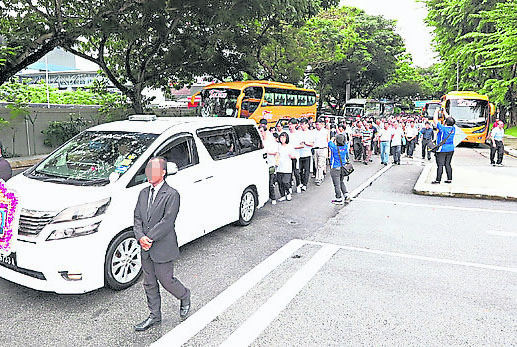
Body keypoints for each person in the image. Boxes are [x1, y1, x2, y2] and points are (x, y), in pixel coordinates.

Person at [134, 157, 191, 332]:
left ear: (163, 173)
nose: (149, 173)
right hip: (145, 247)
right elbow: (137, 218)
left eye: (154, 170)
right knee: (149, 283)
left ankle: (184, 295)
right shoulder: (143, 193)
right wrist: (140, 237)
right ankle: (154, 316)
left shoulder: (172, 194)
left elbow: (168, 222)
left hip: (162, 246)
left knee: (166, 280)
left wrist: (148, 238)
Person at [432, 108, 456, 184]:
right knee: (448, 164)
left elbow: (435, 120)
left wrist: (436, 111)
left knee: (440, 165)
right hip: (451, 149)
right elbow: (450, 120)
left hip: (442, 149)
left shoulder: (442, 128)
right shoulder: (453, 129)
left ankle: (438, 180)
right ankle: (449, 179)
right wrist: (444, 111)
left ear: (445, 122)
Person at [328, 134, 350, 205]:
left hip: (335, 167)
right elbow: (346, 143)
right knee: (341, 181)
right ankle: (346, 194)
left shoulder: (334, 147)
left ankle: (339, 198)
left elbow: (329, 143)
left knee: (336, 184)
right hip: (343, 167)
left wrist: (332, 139)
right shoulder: (345, 147)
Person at [259, 125, 278, 204]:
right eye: (259, 131)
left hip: (270, 164)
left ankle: (273, 197)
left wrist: (267, 152)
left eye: (262, 131)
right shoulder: (259, 141)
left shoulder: (271, 141)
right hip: (262, 164)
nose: (261, 133)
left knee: (270, 182)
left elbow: (275, 152)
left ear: (265, 132)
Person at [276, 132, 297, 201]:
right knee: (280, 182)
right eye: (281, 137)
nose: (282, 139)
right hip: (279, 166)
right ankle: (282, 195)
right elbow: (276, 154)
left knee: (286, 181)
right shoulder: (278, 146)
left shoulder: (290, 146)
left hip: (287, 166)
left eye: (284, 137)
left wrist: (292, 156)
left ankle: (288, 193)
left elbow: (294, 156)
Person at [298, 118, 314, 191]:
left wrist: (306, 143)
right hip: (299, 154)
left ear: (307, 125)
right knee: (300, 170)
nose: (302, 125)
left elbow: (312, 144)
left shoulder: (310, 133)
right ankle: (301, 182)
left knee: (306, 170)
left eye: (304, 124)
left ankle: (305, 184)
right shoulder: (299, 132)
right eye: (301, 124)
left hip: (307, 153)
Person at [313, 118, 329, 186]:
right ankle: (321, 175)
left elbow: (328, 140)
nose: (317, 126)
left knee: (320, 164)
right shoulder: (314, 132)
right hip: (315, 149)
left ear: (322, 124)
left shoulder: (325, 131)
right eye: (316, 124)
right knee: (316, 165)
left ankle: (318, 178)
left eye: (318, 124)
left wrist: (328, 150)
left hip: (323, 148)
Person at [288, 119, 303, 192]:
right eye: (289, 124)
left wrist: (293, 147)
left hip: (296, 155)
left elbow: (302, 145)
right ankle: (289, 186)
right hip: (288, 155)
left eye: (291, 124)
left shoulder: (298, 134)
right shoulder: (287, 134)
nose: (290, 126)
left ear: (295, 125)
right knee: (288, 172)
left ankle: (298, 185)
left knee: (296, 171)